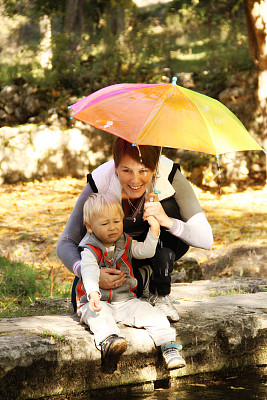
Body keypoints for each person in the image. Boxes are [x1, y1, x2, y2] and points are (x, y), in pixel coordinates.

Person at [57, 138, 213, 322]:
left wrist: (166, 220)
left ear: (154, 168)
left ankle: (158, 290)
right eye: (126, 170)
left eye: (143, 171)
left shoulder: (170, 175)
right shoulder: (100, 181)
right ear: (115, 167)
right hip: (111, 260)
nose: (135, 180)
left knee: (171, 208)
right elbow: (66, 242)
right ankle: (139, 282)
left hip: (155, 250)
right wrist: (89, 273)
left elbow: (206, 239)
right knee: (82, 303)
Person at [76, 192, 185, 370]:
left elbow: (146, 252)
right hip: (97, 302)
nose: (112, 228)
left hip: (125, 300)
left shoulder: (125, 241)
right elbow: (88, 271)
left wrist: (154, 231)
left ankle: (169, 346)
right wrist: (93, 293)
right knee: (98, 317)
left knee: (154, 314)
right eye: (104, 223)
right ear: (89, 226)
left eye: (117, 221)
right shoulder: (89, 248)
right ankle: (109, 343)